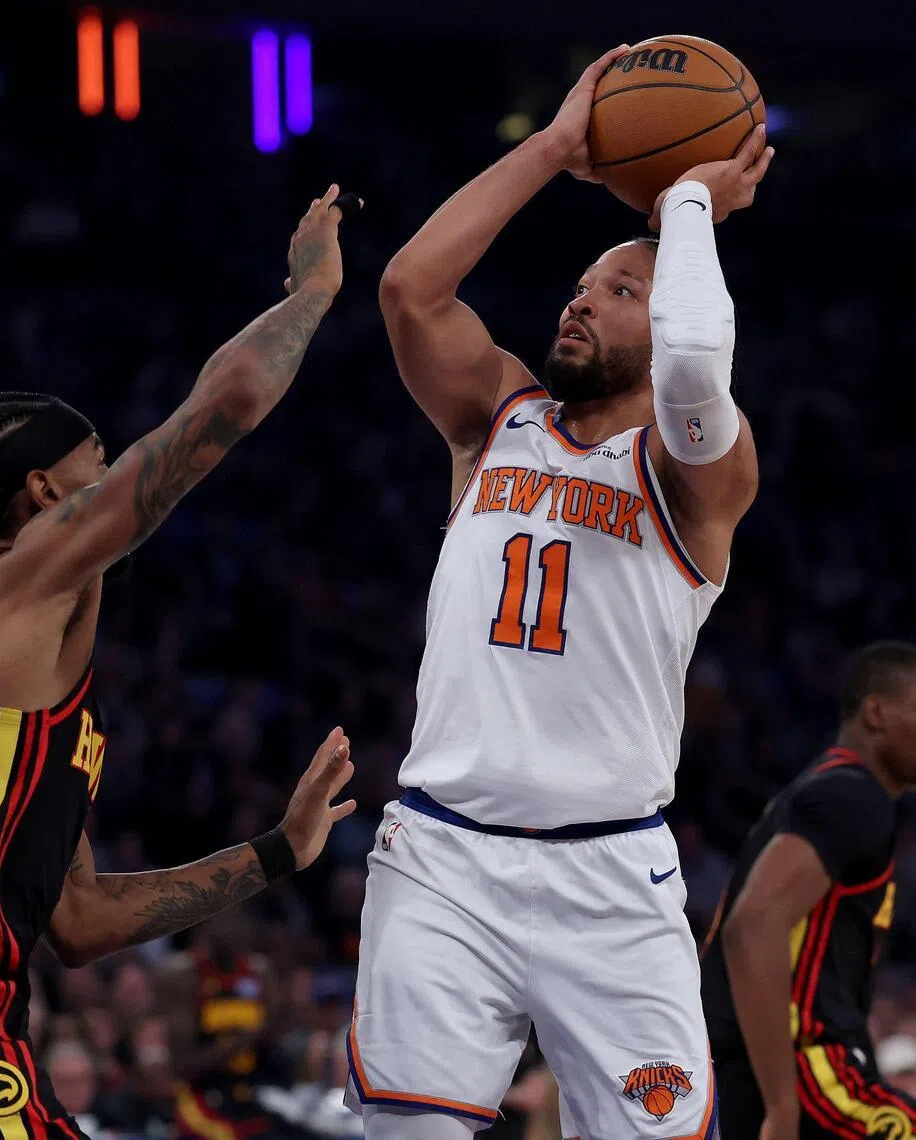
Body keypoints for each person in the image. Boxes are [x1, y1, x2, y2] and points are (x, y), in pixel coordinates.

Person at [0, 187, 358, 1140]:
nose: (115, 472)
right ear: (45, 491)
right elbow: (231, 400)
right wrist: (313, 292)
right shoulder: (17, 573)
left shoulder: (14, 693)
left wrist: (275, 853)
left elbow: (79, 922)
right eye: (99, 459)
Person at [348, 47, 773, 1140]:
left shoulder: (701, 472)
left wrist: (685, 207)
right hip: (443, 857)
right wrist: (553, 147)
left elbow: (688, 369)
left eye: (620, 289)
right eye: (582, 283)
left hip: (609, 876)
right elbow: (408, 286)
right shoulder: (497, 415)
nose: (583, 300)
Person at [702, 641, 916, 1140]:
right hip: (806, 1065)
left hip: (759, 1065)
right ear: (876, 712)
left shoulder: (821, 789)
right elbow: (751, 927)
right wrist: (781, 1106)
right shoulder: (854, 795)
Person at [155, 907, 278, 1137]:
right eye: (225, 920)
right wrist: (243, 1040)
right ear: (204, 924)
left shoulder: (261, 972)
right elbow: (182, 1064)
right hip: (200, 1096)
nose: (234, 929)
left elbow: (276, 1038)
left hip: (252, 1093)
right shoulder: (182, 976)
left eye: (240, 920)